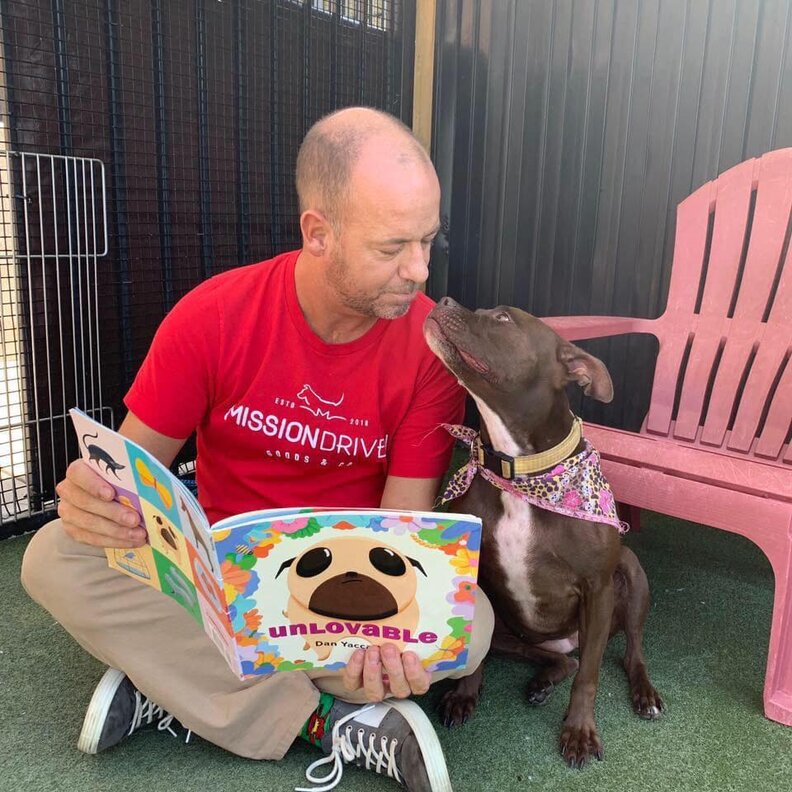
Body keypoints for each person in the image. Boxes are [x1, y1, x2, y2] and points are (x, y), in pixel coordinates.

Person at [21, 107, 494, 792]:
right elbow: (127, 475)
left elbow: (405, 530)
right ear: (319, 233)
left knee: (468, 625)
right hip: (220, 583)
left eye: (428, 241)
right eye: (392, 248)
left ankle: (171, 684)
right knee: (53, 556)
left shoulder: (428, 349)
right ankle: (327, 723)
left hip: (340, 596)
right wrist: (94, 501)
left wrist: (392, 635)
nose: (418, 271)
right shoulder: (213, 317)